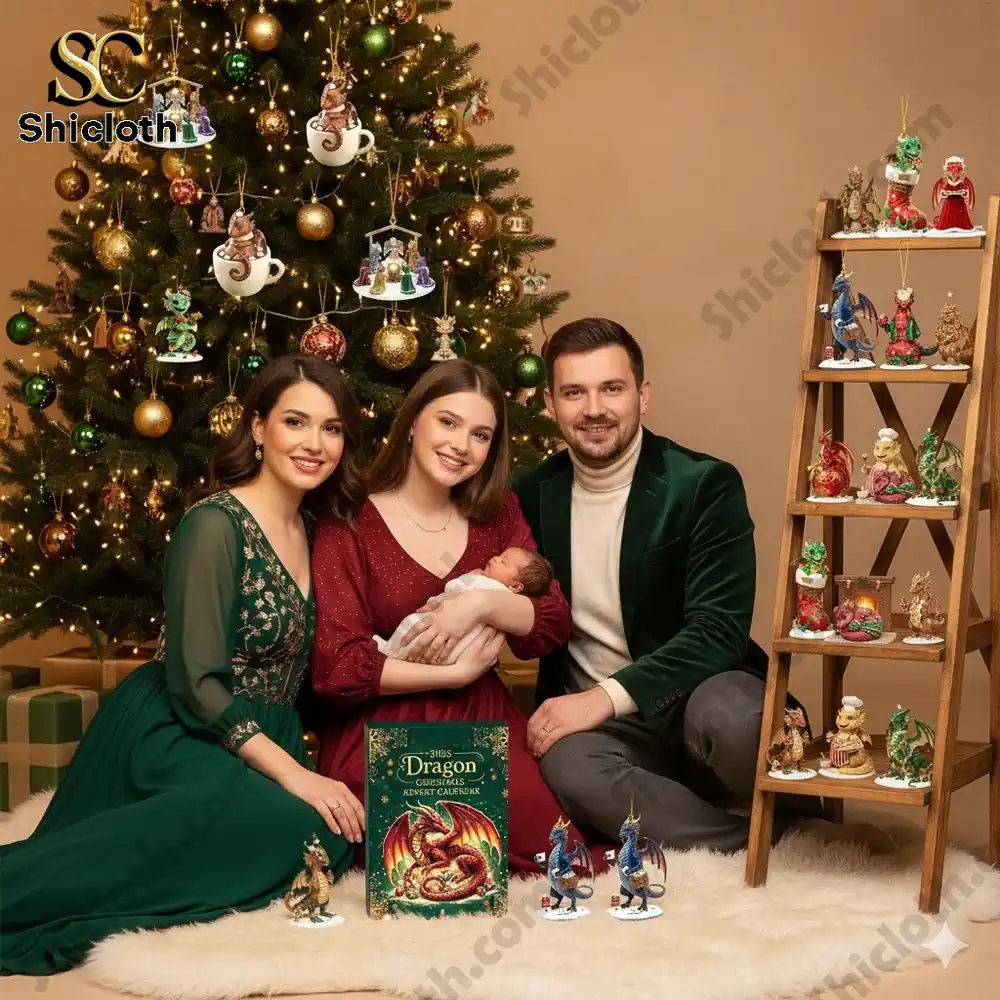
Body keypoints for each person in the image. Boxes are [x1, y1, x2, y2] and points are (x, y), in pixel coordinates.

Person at [0, 357, 367, 976]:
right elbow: (196, 682)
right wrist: (297, 777)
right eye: (295, 422)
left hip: (264, 734)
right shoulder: (215, 525)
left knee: (325, 835)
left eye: (331, 429)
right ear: (258, 428)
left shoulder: (314, 529)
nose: (314, 443)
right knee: (286, 819)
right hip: (180, 727)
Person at [514, 318, 894, 855]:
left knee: (738, 721)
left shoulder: (703, 484)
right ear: (550, 404)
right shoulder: (529, 494)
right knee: (569, 767)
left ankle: (756, 813)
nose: (594, 409)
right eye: (574, 392)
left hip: (702, 699)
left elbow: (719, 631)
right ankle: (777, 843)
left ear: (643, 395)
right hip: (608, 734)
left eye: (612, 388)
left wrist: (602, 698)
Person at [309, 359, 600, 872]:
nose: (461, 446)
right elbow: (336, 667)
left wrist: (479, 603)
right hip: (383, 722)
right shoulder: (349, 517)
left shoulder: (498, 514)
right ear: (413, 422)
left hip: (480, 715)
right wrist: (454, 673)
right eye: (448, 422)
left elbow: (551, 620)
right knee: (414, 860)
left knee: (553, 857)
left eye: (480, 434)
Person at [374, 546, 554, 659]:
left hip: (440, 634)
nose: (495, 558)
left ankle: (390, 652)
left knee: (412, 625)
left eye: (503, 562)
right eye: (500, 555)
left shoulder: (488, 585)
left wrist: (467, 577)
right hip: (460, 652)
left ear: (515, 586)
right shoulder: (508, 603)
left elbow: (454, 588)